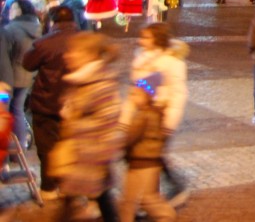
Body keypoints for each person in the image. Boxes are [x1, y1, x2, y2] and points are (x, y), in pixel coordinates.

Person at [53, 32, 123, 222]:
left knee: (77, 200)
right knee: (99, 197)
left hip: (90, 155)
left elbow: (109, 123)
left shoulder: (100, 83)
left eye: (73, 52)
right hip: (82, 154)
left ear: (89, 55)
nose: (67, 55)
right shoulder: (82, 81)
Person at [128, 22, 189, 208]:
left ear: (158, 39)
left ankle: (154, 197)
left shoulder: (172, 63)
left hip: (161, 115)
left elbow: (178, 93)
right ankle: (154, 195)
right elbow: (136, 90)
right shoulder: (142, 59)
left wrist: (169, 121)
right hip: (144, 114)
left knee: (152, 156)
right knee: (150, 155)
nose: (141, 41)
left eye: (146, 37)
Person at [23, 5, 78, 198]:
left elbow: (27, 64)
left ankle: (48, 187)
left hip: (46, 103)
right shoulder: (84, 41)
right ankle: (68, 185)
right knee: (70, 145)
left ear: (53, 22)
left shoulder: (45, 43)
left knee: (47, 148)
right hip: (74, 105)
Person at [118, 71, 175, 222]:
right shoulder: (153, 114)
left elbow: (130, 137)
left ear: (146, 96)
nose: (132, 97)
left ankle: (166, 216)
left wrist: (118, 145)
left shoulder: (144, 116)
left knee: (144, 198)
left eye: (135, 94)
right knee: (130, 199)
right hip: (142, 162)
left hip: (143, 162)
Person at [0, 0, 42, 148]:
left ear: (20, 11)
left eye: (13, 9)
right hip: (27, 77)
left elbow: (4, 57)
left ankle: (7, 151)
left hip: (7, 80)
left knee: (4, 113)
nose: (10, 12)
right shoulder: (37, 27)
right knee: (17, 110)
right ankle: (20, 147)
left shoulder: (11, 29)